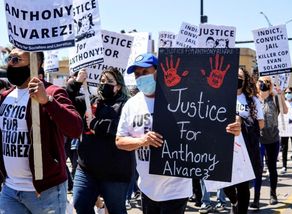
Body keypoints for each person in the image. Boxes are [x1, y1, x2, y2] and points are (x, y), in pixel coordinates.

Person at [115, 53, 241, 214]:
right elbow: (119, 141)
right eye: (137, 74)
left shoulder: (182, 98)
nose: (140, 77)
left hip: (176, 189)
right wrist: (142, 141)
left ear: (157, 72)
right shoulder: (131, 105)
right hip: (147, 189)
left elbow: (211, 124)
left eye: (145, 72)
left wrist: (233, 128)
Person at [0, 48, 82, 213]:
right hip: (10, 189)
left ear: (35, 64)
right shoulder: (4, 96)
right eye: (10, 58)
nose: (10, 63)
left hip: (45, 191)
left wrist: (48, 102)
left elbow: (75, 128)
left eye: (16, 60)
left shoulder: (53, 92)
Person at [70, 68, 134, 214]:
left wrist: (95, 124)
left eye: (109, 81)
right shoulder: (90, 102)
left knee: (116, 210)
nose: (104, 84)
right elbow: (66, 99)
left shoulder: (127, 105)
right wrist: (77, 82)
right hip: (86, 170)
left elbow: (119, 127)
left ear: (118, 86)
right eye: (102, 81)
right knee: (80, 204)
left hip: (115, 174)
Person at [224, 67, 264, 214]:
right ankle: (234, 200)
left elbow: (261, 124)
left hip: (245, 148)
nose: (237, 79)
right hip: (225, 148)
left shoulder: (253, 100)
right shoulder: (222, 97)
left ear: (245, 80)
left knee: (243, 185)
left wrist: (242, 121)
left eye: (240, 77)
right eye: (235, 76)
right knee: (225, 183)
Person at [251, 76, 288, 209]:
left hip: (273, 139)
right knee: (258, 169)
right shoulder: (253, 99)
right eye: (261, 81)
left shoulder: (275, 98)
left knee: (272, 168)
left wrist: (281, 95)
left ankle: (273, 194)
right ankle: (256, 198)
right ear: (256, 84)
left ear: (270, 85)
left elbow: (285, 111)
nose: (263, 84)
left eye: (267, 82)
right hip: (258, 139)